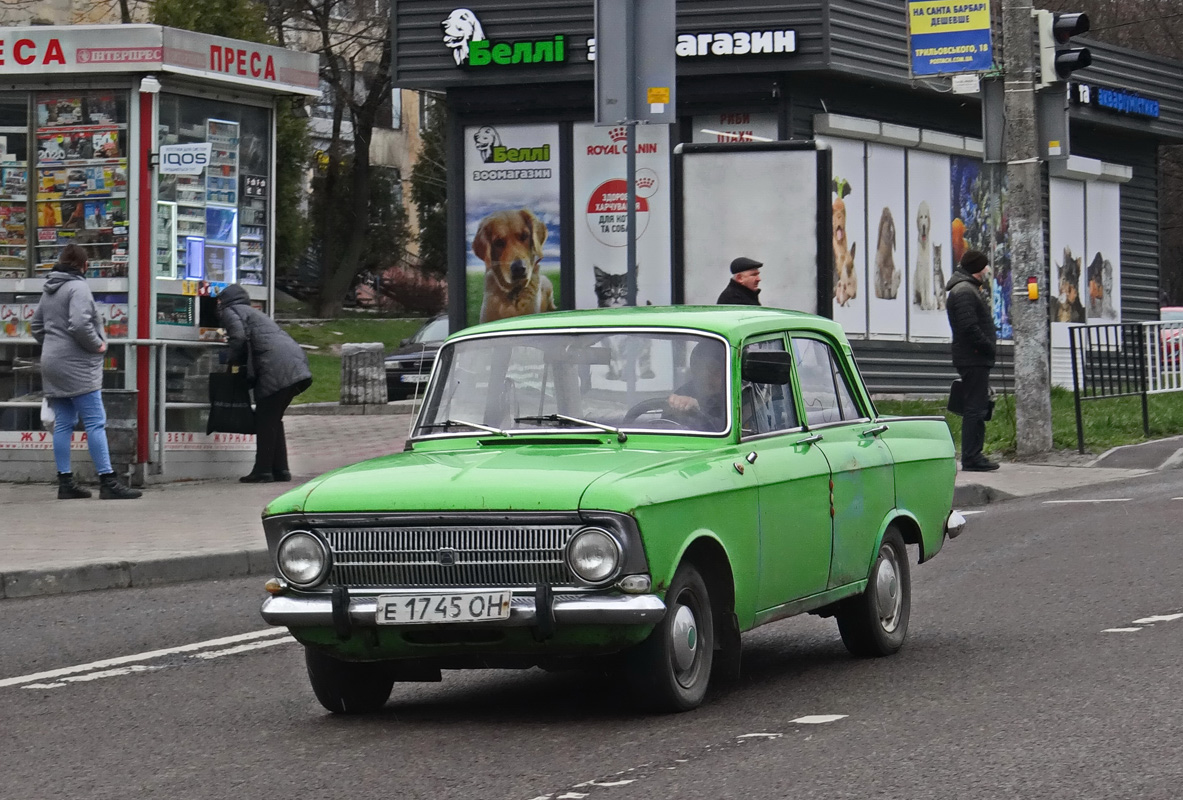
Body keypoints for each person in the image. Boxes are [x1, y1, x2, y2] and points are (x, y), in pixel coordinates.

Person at [31, 243, 141, 499]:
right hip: (78, 365)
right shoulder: (78, 287)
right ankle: (108, 481)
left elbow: (36, 326)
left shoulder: (50, 289)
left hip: (52, 362)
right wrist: (97, 345)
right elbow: (80, 323)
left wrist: (52, 345)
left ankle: (65, 483)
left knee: (64, 424)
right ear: (84, 265)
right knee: (95, 421)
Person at [217, 284, 312, 483]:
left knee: (265, 419)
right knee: (272, 419)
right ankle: (280, 470)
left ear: (224, 300)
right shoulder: (252, 312)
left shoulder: (230, 310)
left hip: (275, 368)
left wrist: (231, 363)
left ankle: (263, 471)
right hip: (294, 364)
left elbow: (239, 337)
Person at [945, 249, 999, 472]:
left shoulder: (966, 289)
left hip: (973, 357)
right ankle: (972, 456)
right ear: (977, 268)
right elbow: (969, 327)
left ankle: (973, 454)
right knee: (975, 409)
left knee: (976, 407)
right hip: (973, 357)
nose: (987, 271)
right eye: (984, 266)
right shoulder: (965, 291)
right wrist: (987, 346)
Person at [666, 341, 727, 429]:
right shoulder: (682, 393)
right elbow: (664, 426)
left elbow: (735, 433)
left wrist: (698, 412)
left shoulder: (740, 397)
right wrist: (672, 409)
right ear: (693, 368)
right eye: (701, 368)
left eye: (716, 370)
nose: (708, 375)